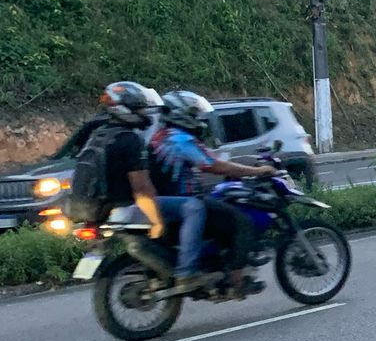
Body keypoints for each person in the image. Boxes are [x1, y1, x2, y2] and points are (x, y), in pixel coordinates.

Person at [149, 90, 276, 295]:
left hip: (166, 202)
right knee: (242, 222)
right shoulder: (180, 139)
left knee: (220, 208)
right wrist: (257, 170)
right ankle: (237, 281)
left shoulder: (160, 136)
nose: (198, 119)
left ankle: (216, 266)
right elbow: (215, 166)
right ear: (180, 114)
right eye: (193, 113)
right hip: (182, 203)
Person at [73, 81, 168, 240]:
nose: (144, 112)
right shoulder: (130, 139)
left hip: (95, 210)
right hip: (124, 208)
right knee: (192, 207)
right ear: (126, 108)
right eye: (139, 108)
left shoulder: (96, 135)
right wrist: (157, 222)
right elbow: (142, 189)